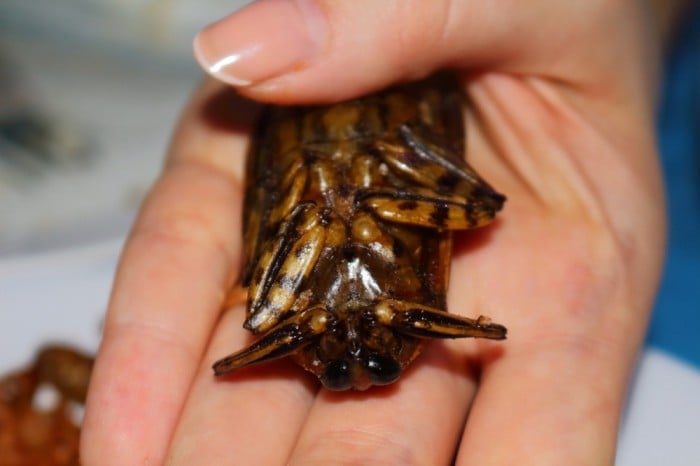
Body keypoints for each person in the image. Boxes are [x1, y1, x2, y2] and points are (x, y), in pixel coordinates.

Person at [80, 1, 666, 464]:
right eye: (379, 358)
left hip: (295, 152)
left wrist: (308, 239)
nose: (356, 353)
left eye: (339, 361)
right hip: (403, 137)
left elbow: (255, 318)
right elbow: (479, 207)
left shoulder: (282, 302)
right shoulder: (405, 289)